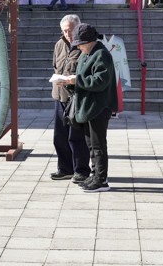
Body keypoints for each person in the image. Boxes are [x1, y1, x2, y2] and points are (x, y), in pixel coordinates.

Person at [70, 22, 118, 192]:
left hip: (99, 106)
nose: (79, 48)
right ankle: (94, 174)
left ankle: (101, 179)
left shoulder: (101, 54)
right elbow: (81, 78)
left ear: (90, 41)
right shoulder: (86, 54)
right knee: (90, 145)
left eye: (80, 44)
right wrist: (69, 83)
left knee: (98, 145)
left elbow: (100, 81)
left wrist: (77, 80)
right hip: (87, 106)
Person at [49, 14, 90, 183]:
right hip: (60, 96)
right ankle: (64, 169)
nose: (68, 33)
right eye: (65, 30)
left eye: (71, 30)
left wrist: (72, 80)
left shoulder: (84, 46)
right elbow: (55, 65)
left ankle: (81, 170)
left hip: (77, 98)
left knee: (77, 137)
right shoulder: (59, 44)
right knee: (60, 137)